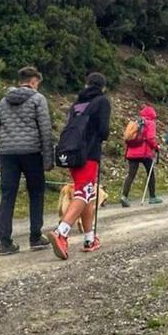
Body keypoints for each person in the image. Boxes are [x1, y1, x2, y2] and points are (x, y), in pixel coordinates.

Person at [48, 72, 111, 260]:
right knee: (83, 193)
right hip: (89, 153)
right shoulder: (102, 101)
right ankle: (62, 232)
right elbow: (104, 131)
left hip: (71, 152)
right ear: (103, 87)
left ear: (86, 84)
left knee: (88, 194)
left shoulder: (76, 104)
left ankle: (89, 238)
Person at [0, 67, 54, 256]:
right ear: (33, 81)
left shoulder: (3, 101)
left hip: (8, 153)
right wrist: (48, 159)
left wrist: (2, 148)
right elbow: (45, 130)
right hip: (31, 151)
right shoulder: (38, 99)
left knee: (7, 195)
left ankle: (5, 242)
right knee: (36, 193)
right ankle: (35, 236)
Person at [120, 103, 161, 207]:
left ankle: (124, 196)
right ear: (152, 114)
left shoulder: (135, 122)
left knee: (131, 174)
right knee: (150, 174)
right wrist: (156, 147)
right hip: (145, 153)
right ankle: (152, 197)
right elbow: (151, 138)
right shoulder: (150, 123)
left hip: (132, 152)